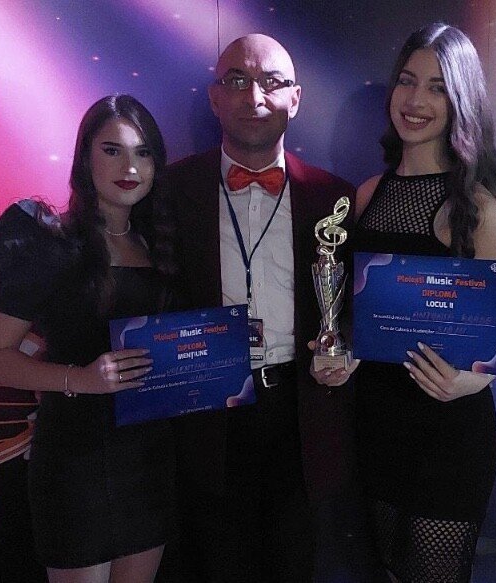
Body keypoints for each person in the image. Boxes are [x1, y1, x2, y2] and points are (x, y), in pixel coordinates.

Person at [160, 34, 362, 582]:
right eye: (237, 81)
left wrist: (346, 347)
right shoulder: (170, 190)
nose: (254, 97)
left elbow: (357, 303)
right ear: (214, 97)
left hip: (302, 413)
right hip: (205, 416)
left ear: (295, 98)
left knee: (295, 566)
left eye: (272, 83)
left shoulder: (335, 198)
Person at [0, 95, 178, 583]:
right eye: (112, 150)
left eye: (144, 152)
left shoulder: (161, 246)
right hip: (75, 462)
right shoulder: (50, 244)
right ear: (85, 157)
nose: (130, 167)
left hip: (149, 459)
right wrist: (82, 379)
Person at [352, 23, 496, 583]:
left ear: (460, 101)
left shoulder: (477, 207)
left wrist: (470, 381)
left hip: (449, 430)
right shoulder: (367, 195)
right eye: (407, 81)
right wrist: (339, 353)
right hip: (376, 422)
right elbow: (354, 312)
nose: (416, 100)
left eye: (437, 87)